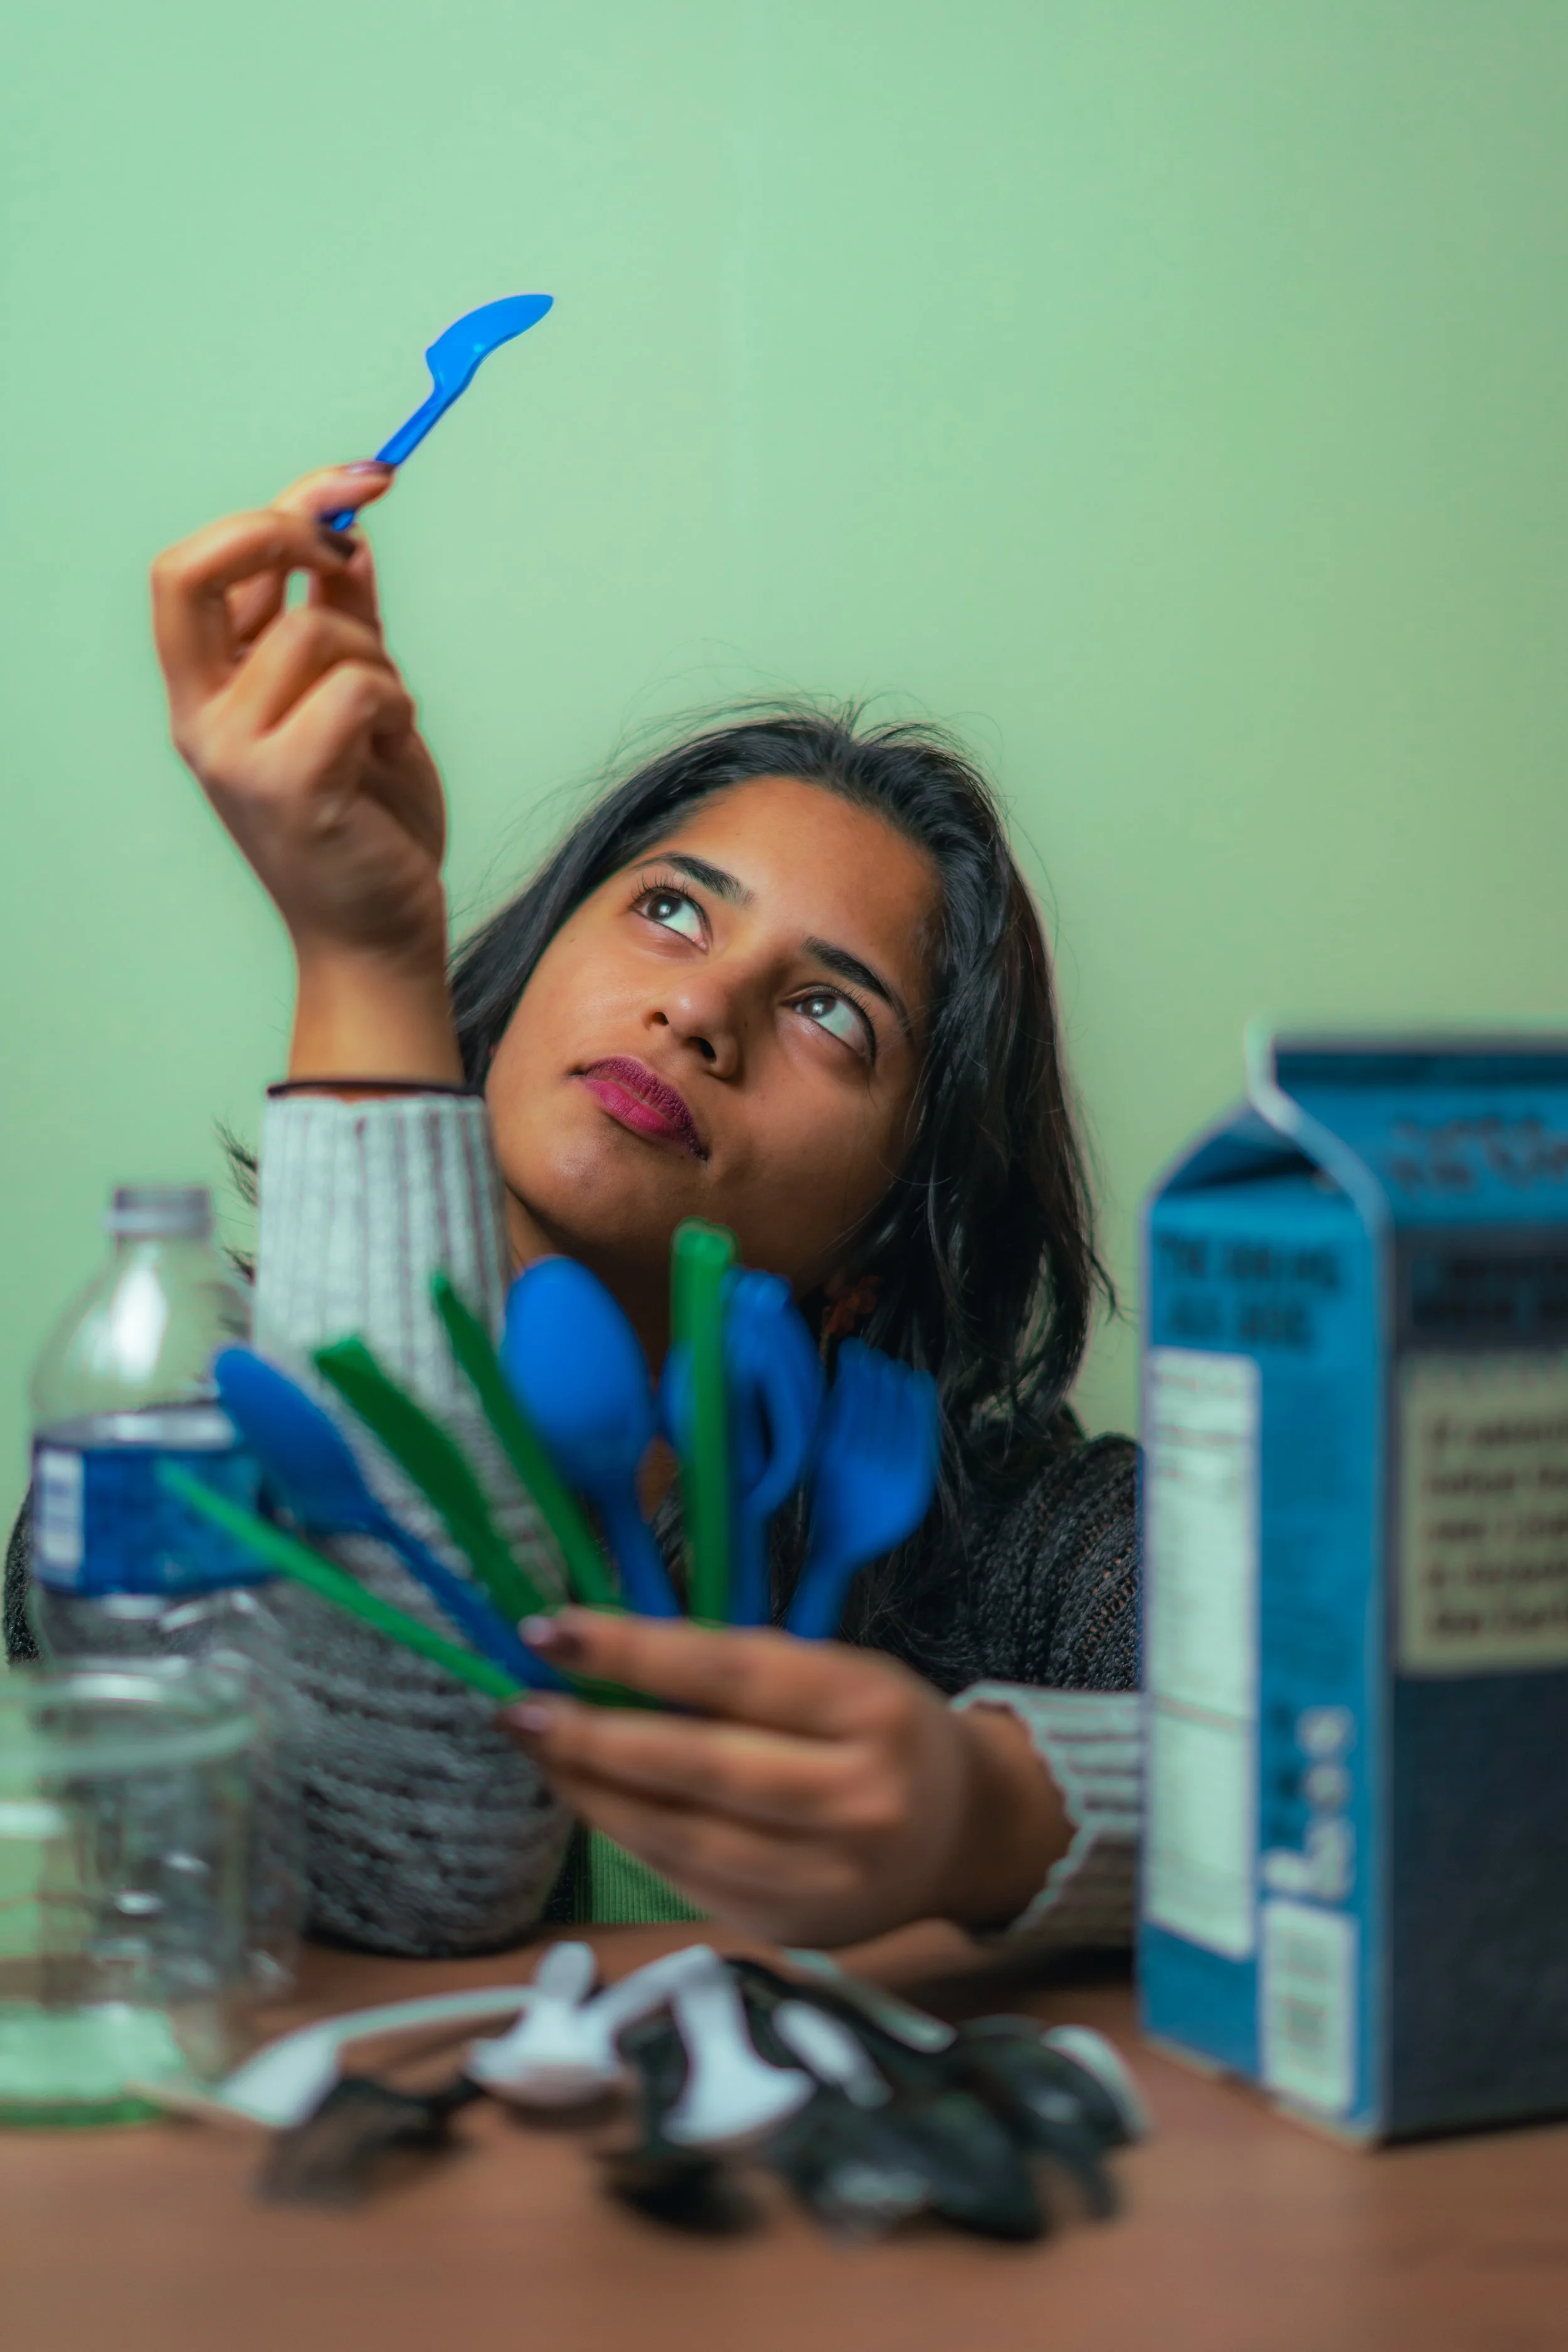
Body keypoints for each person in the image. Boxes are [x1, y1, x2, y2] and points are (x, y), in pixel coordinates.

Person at [6, 462, 1139, 1959]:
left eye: (828, 1013)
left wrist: (995, 1815)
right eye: (671, 907)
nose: (701, 1005)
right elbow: (353, 1854)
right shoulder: (190, 1464)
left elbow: (1392, 1765)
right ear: (508, 997)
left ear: (887, 1240)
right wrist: (363, 949)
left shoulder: (1010, 1535)